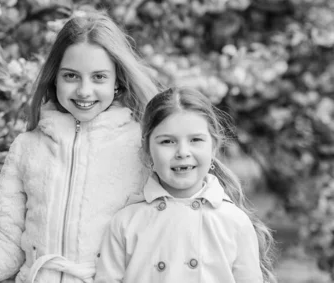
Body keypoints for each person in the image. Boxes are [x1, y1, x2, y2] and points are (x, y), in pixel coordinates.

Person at [0, 9, 159, 283]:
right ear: (54, 76)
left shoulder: (142, 148)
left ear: (117, 81)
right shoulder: (27, 147)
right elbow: (4, 243)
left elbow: (164, 238)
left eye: (98, 77)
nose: (84, 90)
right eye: (71, 76)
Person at [94, 87, 277, 283]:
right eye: (167, 141)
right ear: (147, 150)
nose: (182, 152)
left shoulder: (234, 222)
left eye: (195, 140)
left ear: (213, 147)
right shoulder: (126, 223)